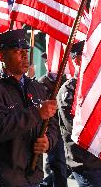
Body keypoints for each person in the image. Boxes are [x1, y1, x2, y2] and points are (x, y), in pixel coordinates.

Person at [0, 29, 59, 187]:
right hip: (4, 180)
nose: (25, 55)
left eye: (25, 50)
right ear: (0, 56)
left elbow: (52, 124)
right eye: (17, 51)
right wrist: (36, 113)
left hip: (33, 177)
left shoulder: (37, 88)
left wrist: (48, 141)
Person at [57, 41, 101, 187]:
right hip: (85, 161)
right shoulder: (69, 90)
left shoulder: (99, 85)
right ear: (76, 60)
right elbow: (75, 128)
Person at [39, 52, 68, 187]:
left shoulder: (65, 80)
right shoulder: (42, 83)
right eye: (48, 62)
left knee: (67, 166)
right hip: (52, 128)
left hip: (65, 129)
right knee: (58, 165)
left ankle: (46, 183)